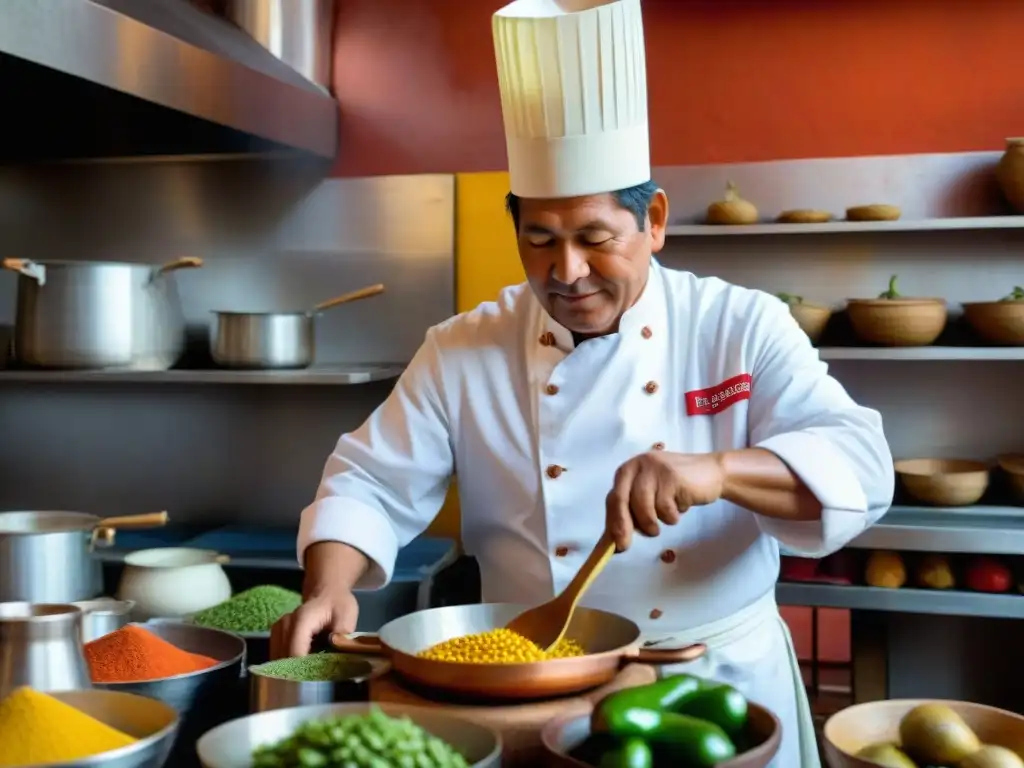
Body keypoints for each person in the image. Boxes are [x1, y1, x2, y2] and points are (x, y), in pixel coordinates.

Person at [272, 1, 894, 765]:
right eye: (539, 240)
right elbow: (370, 479)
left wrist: (719, 470)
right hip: (535, 685)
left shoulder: (739, 324)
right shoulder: (464, 349)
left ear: (654, 220)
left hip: (720, 688)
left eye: (595, 239)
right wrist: (330, 583)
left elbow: (859, 466)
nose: (566, 273)